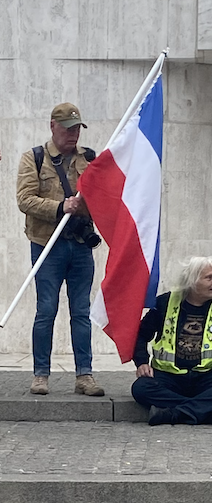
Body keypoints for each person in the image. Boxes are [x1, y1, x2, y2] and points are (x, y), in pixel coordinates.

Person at [16, 102, 104, 397]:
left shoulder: (90, 160)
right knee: (46, 311)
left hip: (80, 246)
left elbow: (103, 200)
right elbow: (25, 200)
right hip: (46, 246)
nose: (73, 134)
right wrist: (60, 207)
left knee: (81, 312)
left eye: (77, 128)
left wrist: (87, 206)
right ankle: (41, 375)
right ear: (52, 126)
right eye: (67, 128)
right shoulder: (34, 158)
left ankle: (84, 375)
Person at [131, 256, 212, 425]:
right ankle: (207, 411)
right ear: (192, 281)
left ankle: (174, 413)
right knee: (140, 388)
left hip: (209, 376)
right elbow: (140, 334)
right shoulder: (164, 302)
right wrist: (141, 362)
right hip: (170, 376)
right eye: (209, 278)